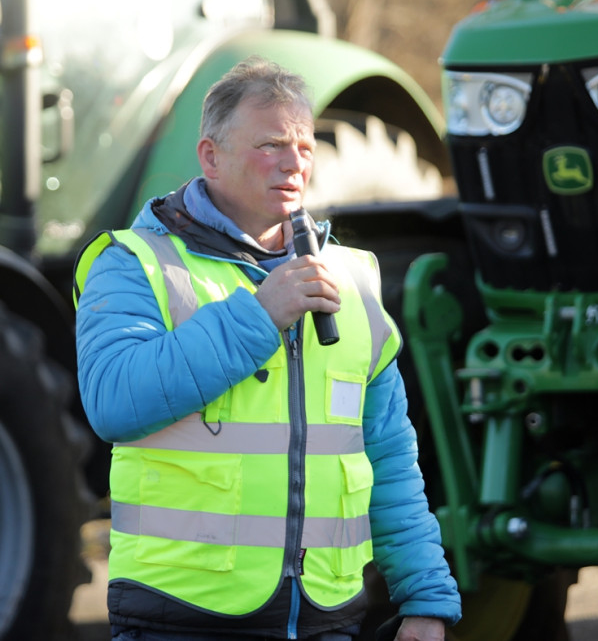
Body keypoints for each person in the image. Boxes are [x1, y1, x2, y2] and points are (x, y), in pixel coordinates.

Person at [73, 56, 461, 640]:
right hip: (180, 619)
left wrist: (425, 598)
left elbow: (390, 461)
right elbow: (115, 402)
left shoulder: (352, 278)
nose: (294, 163)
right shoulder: (132, 263)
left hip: (327, 619)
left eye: (305, 147)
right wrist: (258, 317)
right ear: (210, 156)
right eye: (271, 145)